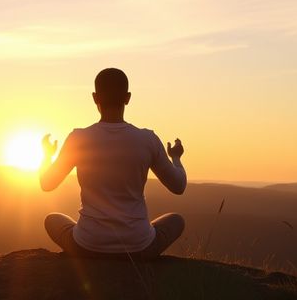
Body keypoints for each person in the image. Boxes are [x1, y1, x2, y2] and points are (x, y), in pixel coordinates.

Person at [39, 67, 187, 260]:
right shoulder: (147, 139)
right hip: (139, 247)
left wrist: (46, 156)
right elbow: (178, 186)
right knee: (177, 221)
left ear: (95, 97)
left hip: (87, 246)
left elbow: (47, 184)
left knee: (52, 220)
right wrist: (176, 158)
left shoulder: (78, 139)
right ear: (128, 98)